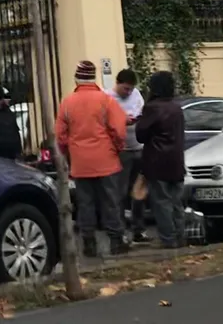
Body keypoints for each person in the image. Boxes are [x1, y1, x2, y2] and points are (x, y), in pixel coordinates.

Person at [56, 60, 128, 257]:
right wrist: (117, 148)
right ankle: (116, 241)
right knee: (111, 200)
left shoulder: (67, 102)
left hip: (80, 163)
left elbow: (60, 135)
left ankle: (89, 242)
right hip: (106, 160)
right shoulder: (106, 100)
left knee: (85, 203)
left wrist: (68, 153)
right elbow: (119, 130)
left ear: (77, 79)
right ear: (93, 78)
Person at [135, 71, 187, 248]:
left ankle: (168, 239)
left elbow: (141, 135)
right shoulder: (176, 108)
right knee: (176, 202)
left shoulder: (152, 108)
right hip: (176, 161)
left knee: (161, 202)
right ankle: (180, 236)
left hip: (157, 162)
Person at [106, 69, 148, 243]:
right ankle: (120, 231)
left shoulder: (137, 95)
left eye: (131, 89)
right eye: (125, 89)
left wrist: (137, 119)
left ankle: (139, 229)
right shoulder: (107, 97)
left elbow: (143, 112)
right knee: (120, 192)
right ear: (117, 83)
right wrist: (122, 120)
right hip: (121, 151)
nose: (129, 92)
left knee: (138, 191)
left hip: (138, 147)